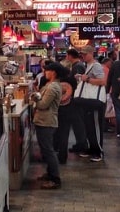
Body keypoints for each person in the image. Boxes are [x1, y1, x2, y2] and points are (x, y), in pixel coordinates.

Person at [31, 61, 64, 190]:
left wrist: (35, 99)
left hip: (47, 121)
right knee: (46, 149)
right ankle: (50, 174)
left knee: (48, 150)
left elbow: (43, 105)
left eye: (47, 71)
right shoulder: (51, 85)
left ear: (53, 72)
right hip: (44, 121)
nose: (45, 73)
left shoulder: (53, 87)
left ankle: (55, 179)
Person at [75, 45, 106, 162]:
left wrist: (87, 79)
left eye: (84, 54)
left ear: (90, 54)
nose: (82, 56)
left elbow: (103, 81)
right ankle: (92, 148)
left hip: (95, 102)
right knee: (89, 126)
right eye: (82, 54)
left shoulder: (96, 66)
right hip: (89, 101)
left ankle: (99, 151)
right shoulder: (88, 65)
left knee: (96, 127)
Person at [54, 63, 83, 164]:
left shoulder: (56, 82)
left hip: (58, 109)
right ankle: (63, 156)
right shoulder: (72, 80)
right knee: (64, 133)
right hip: (70, 108)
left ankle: (57, 153)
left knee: (57, 133)